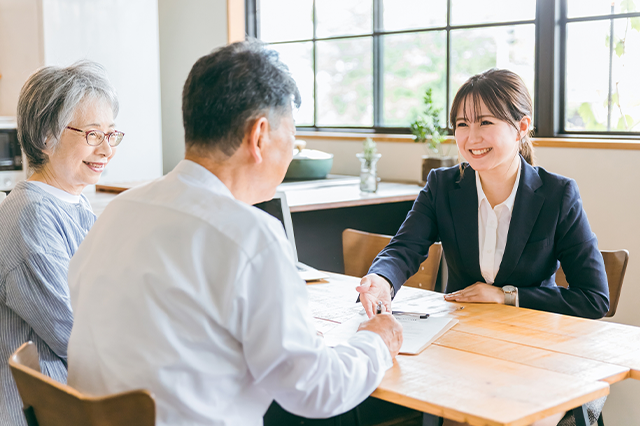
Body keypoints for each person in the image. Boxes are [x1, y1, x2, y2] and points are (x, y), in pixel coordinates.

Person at [66, 40, 403, 426]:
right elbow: (314, 390)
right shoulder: (249, 236)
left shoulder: (118, 211)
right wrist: (377, 341)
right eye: (291, 136)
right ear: (259, 135)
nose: (291, 150)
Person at [356, 68, 608, 426]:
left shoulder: (557, 195)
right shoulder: (442, 187)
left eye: (485, 122)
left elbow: (594, 298)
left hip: (534, 356)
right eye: (461, 124)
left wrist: (506, 296)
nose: (471, 137)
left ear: (521, 127)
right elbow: (405, 248)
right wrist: (381, 278)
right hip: (461, 351)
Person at [0, 61, 122, 426]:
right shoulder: (30, 216)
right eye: (92, 135)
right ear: (46, 138)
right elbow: (76, 332)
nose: (106, 150)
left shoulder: (72, 201)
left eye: (111, 134)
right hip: (53, 411)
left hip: (80, 397)